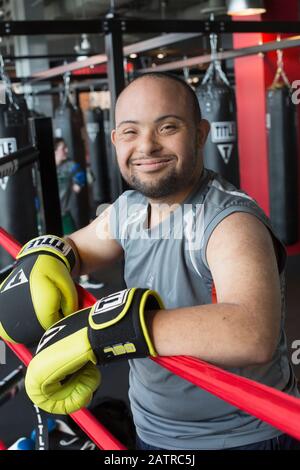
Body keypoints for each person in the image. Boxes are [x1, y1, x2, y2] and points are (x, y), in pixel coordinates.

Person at [4, 73, 299, 450]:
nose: (146, 145)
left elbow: (251, 331)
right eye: (130, 132)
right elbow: (76, 249)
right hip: (152, 427)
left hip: (240, 437)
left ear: (200, 133)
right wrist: (45, 257)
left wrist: (102, 334)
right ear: (114, 142)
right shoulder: (130, 208)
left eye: (168, 127)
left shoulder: (229, 221)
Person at [54, 137, 86, 235]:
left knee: (72, 241)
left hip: (64, 214)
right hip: (44, 216)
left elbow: (81, 174)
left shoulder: (69, 165)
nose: (66, 150)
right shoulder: (42, 167)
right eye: (63, 148)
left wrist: (78, 183)